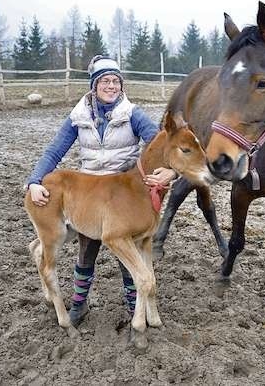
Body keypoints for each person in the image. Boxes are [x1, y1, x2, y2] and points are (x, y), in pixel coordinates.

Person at [26, 55, 177, 326]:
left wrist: (173, 171)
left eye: (116, 81)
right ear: (94, 86)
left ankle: (134, 306)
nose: (111, 86)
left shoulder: (132, 113)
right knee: (86, 252)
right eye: (105, 81)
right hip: (91, 191)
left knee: (127, 253)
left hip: (123, 193)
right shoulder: (79, 115)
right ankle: (80, 304)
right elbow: (54, 150)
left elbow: (161, 145)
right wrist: (35, 180)